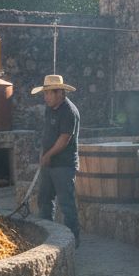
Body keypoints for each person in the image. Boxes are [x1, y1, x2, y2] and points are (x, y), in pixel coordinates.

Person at [33, 74, 80, 245]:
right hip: (49, 163)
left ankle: (74, 241)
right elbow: (48, 134)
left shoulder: (69, 111)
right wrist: (43, 153)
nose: (45, 97)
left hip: (63, 165)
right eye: (44, 94)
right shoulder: (50, 108)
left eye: (48, 94)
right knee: (45, 200)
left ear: (60, 93)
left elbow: (64, 139)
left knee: (66, 204)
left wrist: (48, 155)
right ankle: (47, 239)